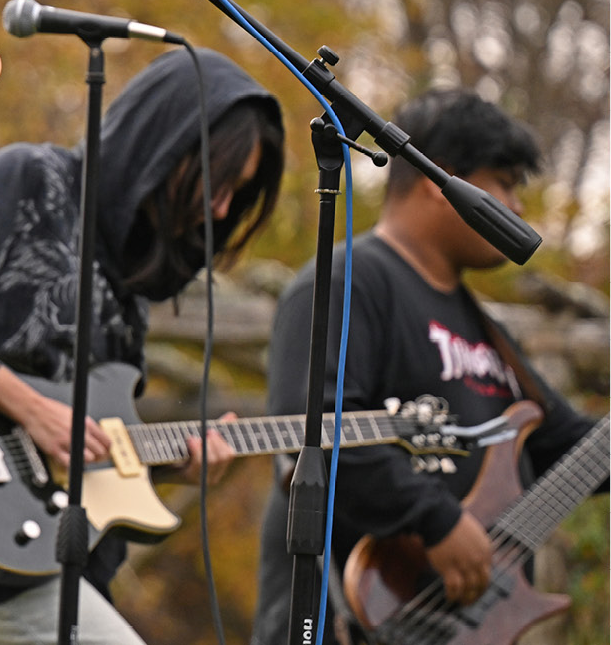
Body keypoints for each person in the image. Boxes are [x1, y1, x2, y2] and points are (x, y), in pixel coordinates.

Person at [0, 47, 287, 645]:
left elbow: (81, 456)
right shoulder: (29, 181)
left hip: (52, 565)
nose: (220, 209)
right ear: (166, 144)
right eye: (217, 182)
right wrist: (30, 408)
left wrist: (171, 471)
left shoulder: (132, 278)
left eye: (236, 194)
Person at [249, 89, 602, 645]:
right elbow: (310, 427)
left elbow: (576, 451)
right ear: (444, 183)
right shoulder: (348, 281)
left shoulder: (487, 332)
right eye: (505, 183)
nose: (517, 208)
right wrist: (433, 519)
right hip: (342, 622)